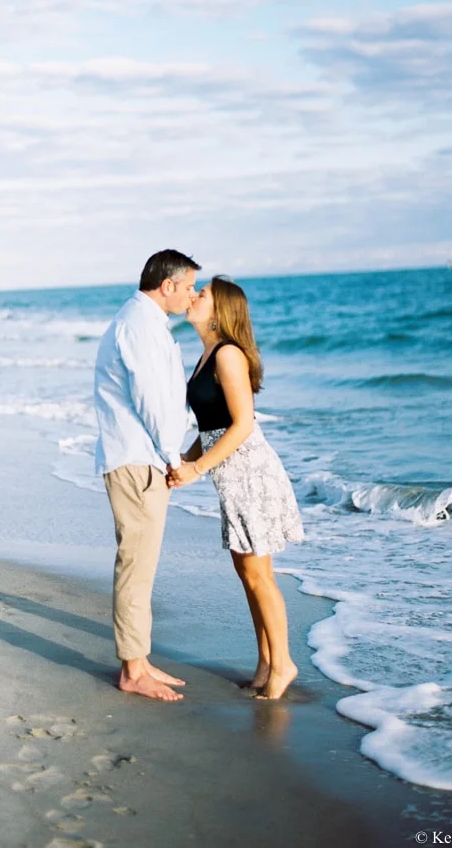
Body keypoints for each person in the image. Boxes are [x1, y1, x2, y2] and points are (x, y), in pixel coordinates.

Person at [170, 275, 304, 701]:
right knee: (247, 572)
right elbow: (213, 426)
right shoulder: (206, 355)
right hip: (229, 476)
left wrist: (197, 468)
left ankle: (284, 664)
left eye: (202, 294)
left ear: (220, 311)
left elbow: (243, 424)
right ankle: (266, 662)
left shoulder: (228, 354)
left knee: (259, 575)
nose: (193, 297)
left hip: (250, 473)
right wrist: (185, 459)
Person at [94, 249, 200, 702]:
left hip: (141, 456)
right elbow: (150, 397)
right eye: (189, 286)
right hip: (139, 459)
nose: (193, 295)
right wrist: (174, 457)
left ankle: (139, 659)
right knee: (137, 564)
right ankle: (132, 671)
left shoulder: (145, 321)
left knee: (142, 562)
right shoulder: (139, 324)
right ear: (167, 285)